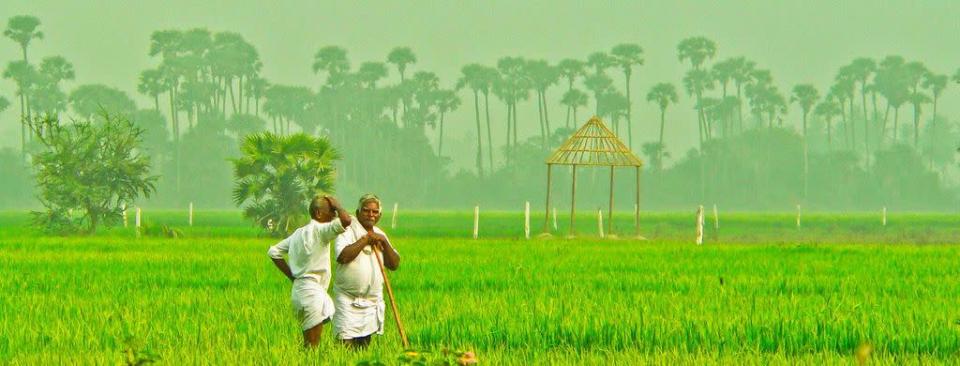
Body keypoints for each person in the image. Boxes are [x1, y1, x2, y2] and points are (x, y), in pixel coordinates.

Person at [267, 195, 351, 348]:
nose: (334, 215)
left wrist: (293, 277)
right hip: (313, 294)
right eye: (331, 211)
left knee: (309, 343)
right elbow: (346, 221)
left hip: (300, 290)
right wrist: (338, 205)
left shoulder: (298, 233)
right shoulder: (321, 230)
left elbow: (273, 252)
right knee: (312, 346)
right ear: (318, 213)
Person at [332, 193, 400, 349]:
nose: (371, 215)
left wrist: (383, 241)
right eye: (366, 210)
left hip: (371, 302)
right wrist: (366, 240)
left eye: (375, 212)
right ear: (358, 213)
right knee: (344, 345)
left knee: (364, 346)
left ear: (380, 215)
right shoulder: (347, 231)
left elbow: (394, 264)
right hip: (347, 300)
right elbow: (343, 256)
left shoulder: (380, 234)